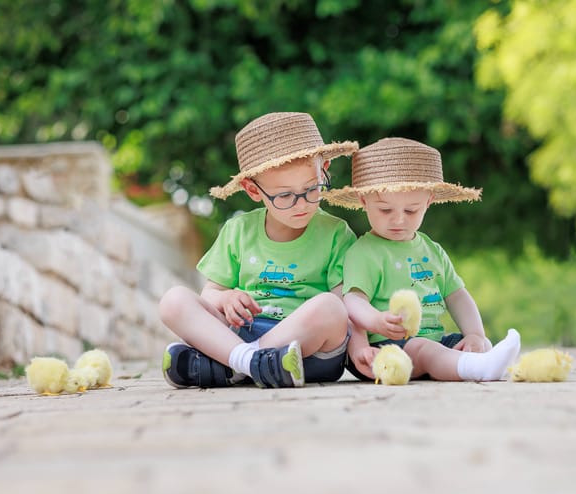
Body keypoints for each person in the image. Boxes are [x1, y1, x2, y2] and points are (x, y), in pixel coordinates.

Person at [159, 112, 358, 388]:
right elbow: (210, 294)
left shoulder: (336, 233)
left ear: (323, 169)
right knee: (173, 300)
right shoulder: (238, 230)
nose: (301, 204)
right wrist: (226, 298)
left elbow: (344, 311)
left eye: (312, 189)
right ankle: (253, 363)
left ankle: (234, 365)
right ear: (253, 190)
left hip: (307, 349)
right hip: (245, 332)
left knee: (332, 308)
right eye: (285, 196)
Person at [323, 137, 521, 382]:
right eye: (385, 210)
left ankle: (478, 360)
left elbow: (457, 295)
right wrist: (377, 320)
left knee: (473, 344)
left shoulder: (431, 249)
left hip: (432, 338)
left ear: (428, 202)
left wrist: (475, 334)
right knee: (422, 349)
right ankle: (476, 369)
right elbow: (353, 301)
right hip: (385, 347)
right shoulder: (364, 252)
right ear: (364, 200)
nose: (398, 220)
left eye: (411, 210)